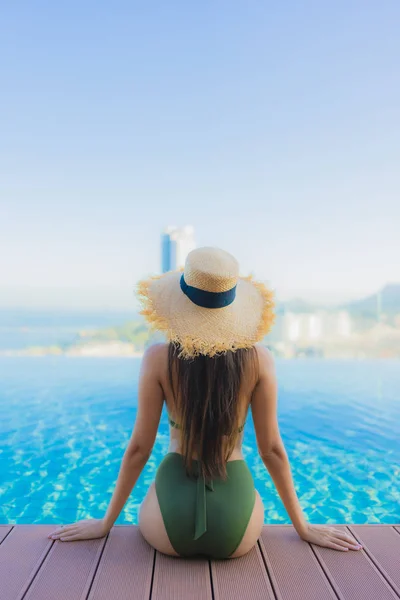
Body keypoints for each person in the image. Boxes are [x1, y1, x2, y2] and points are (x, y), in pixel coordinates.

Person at [47, 247, 363, 557]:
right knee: (253, 497)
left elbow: (139, 450)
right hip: (237, 533)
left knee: (151, 497)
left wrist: (104, 523)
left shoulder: (158, 359)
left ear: (178, 304)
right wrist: (304, 527)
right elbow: (272, 450)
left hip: (166, 530)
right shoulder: (259, 361)